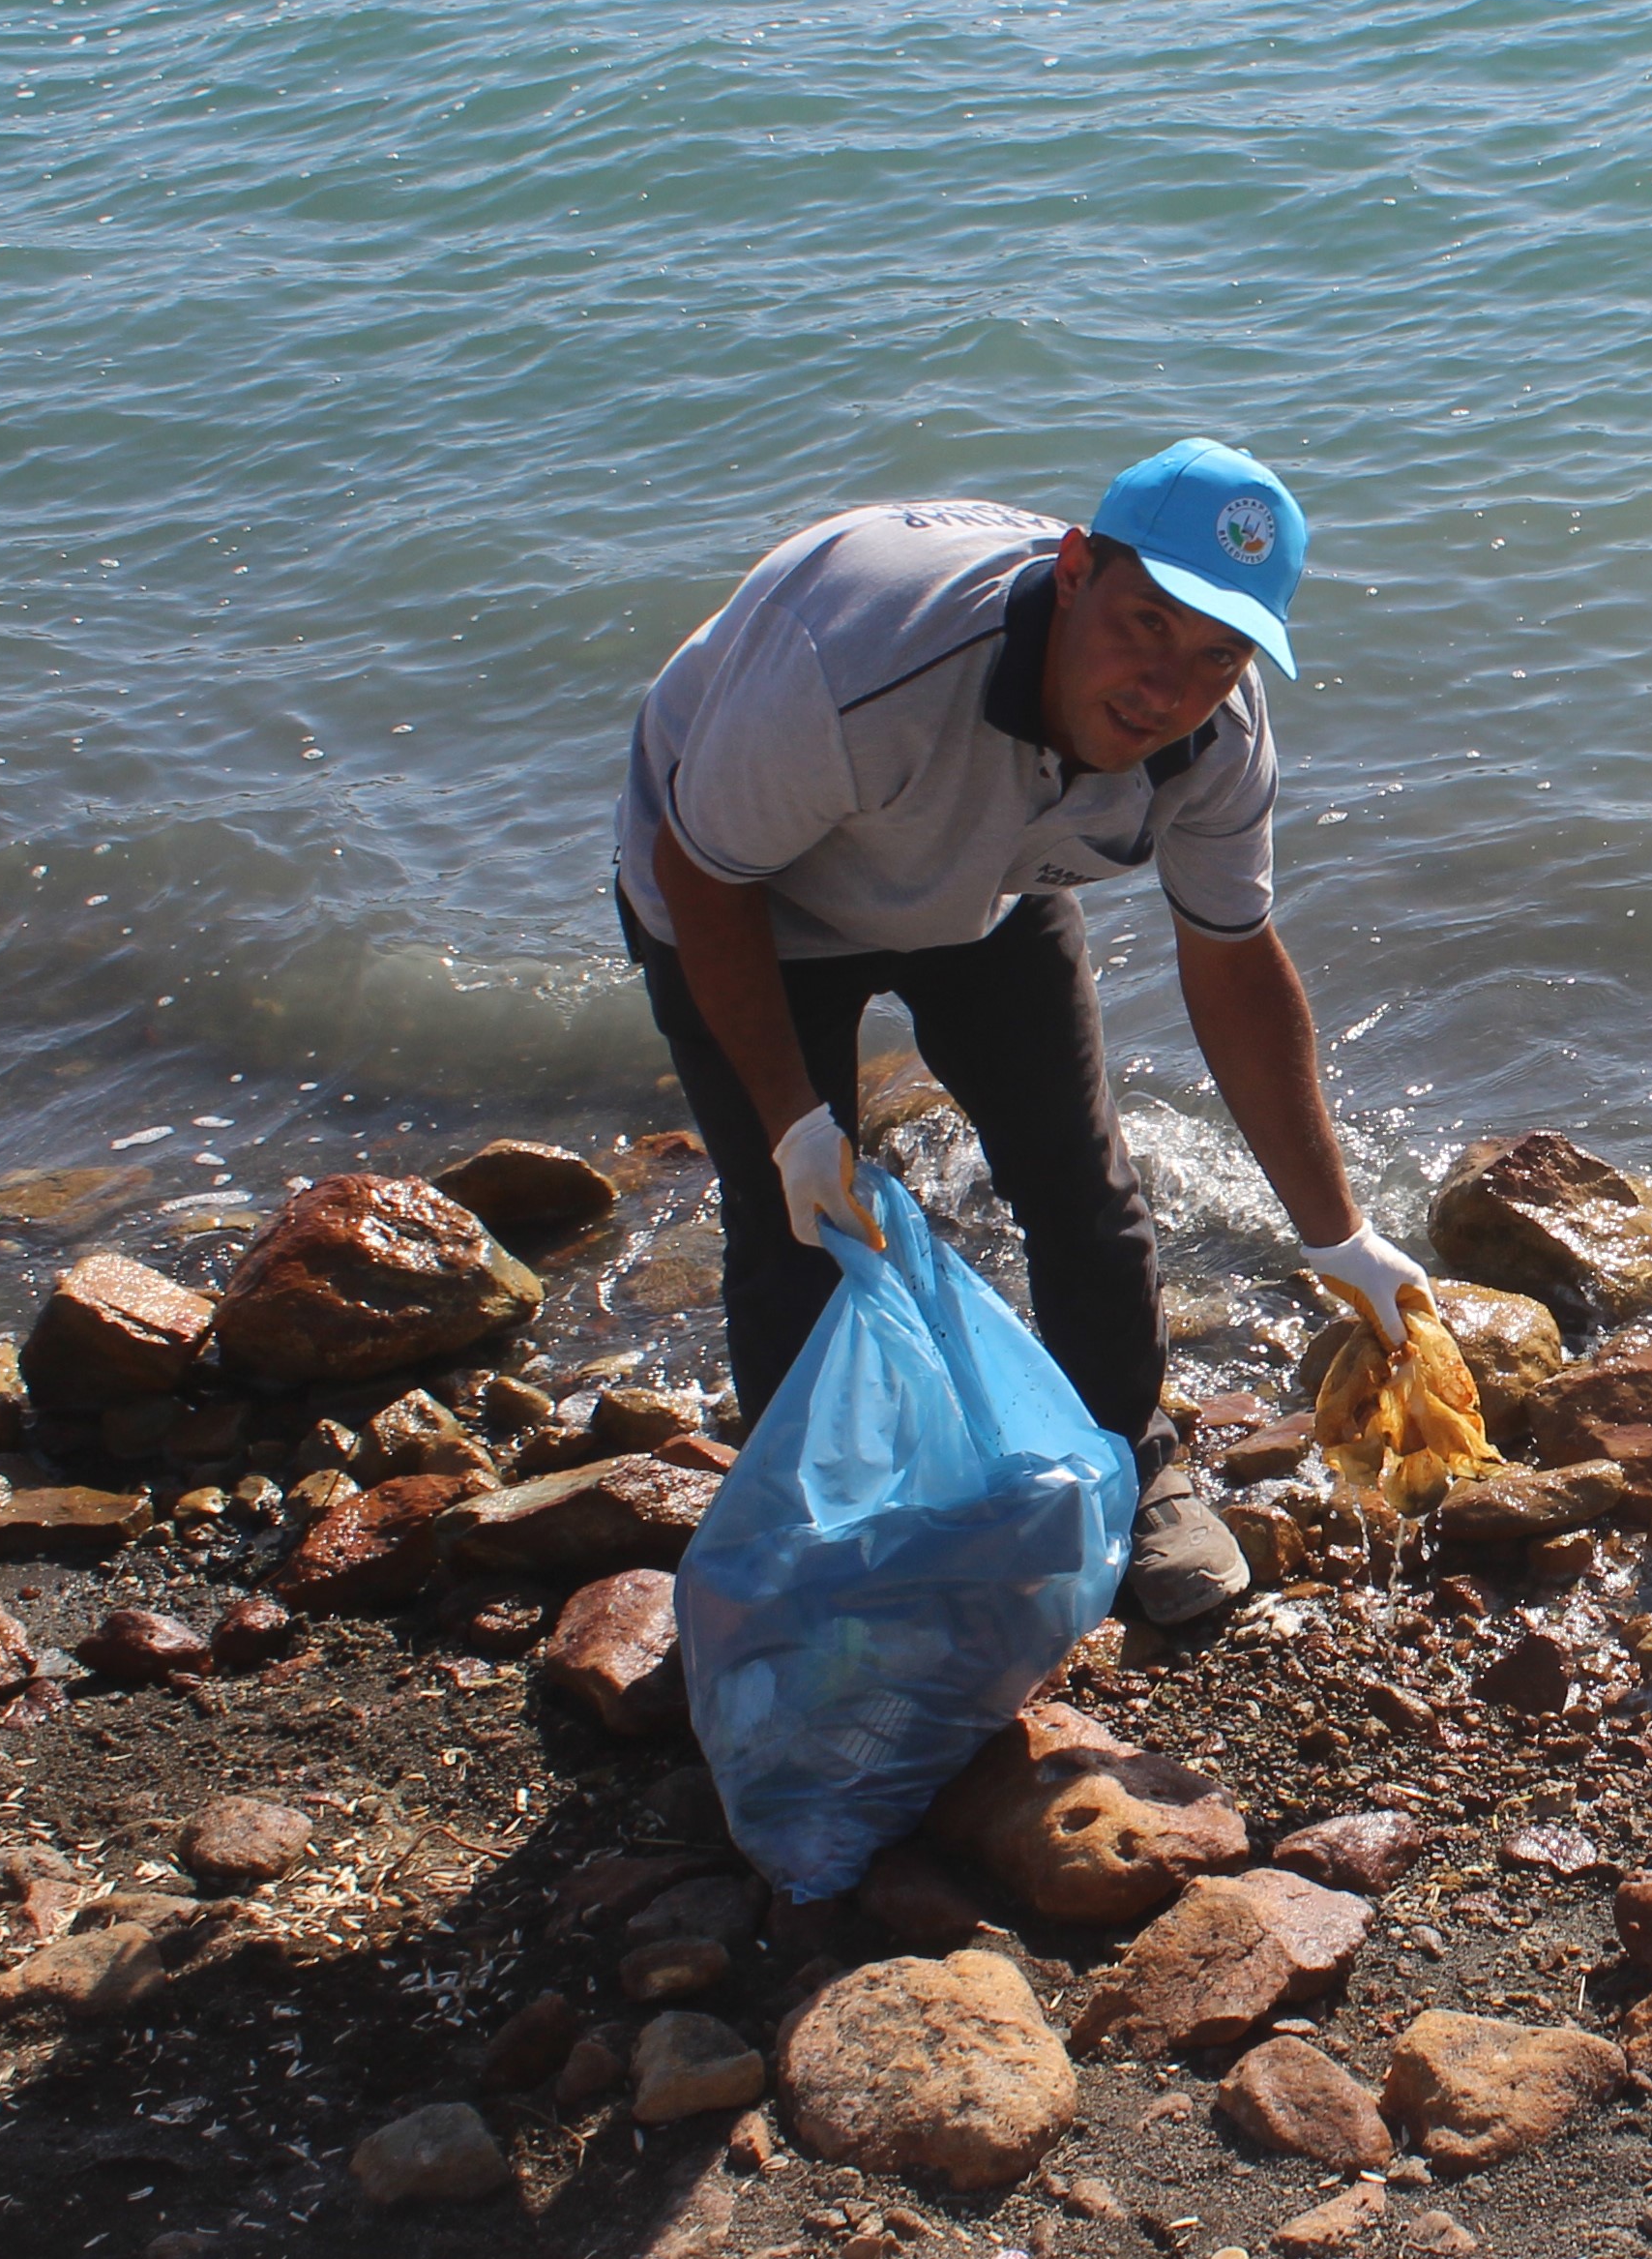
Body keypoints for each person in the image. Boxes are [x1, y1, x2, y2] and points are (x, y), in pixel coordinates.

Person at [612, 439, 1430, 1630]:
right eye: (1148, 624)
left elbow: (1235, 961)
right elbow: (704, 866)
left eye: (1217, 652)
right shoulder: (862, 669)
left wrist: (1339, 1235)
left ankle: (1136, 1464)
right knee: (797, 1230)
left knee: (1084, 1184)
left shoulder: (1219, 737)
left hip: (983, 878)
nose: (1169, 685)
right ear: (1079, 568)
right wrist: (793, 1123)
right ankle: (818, 1546)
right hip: (745, 891)